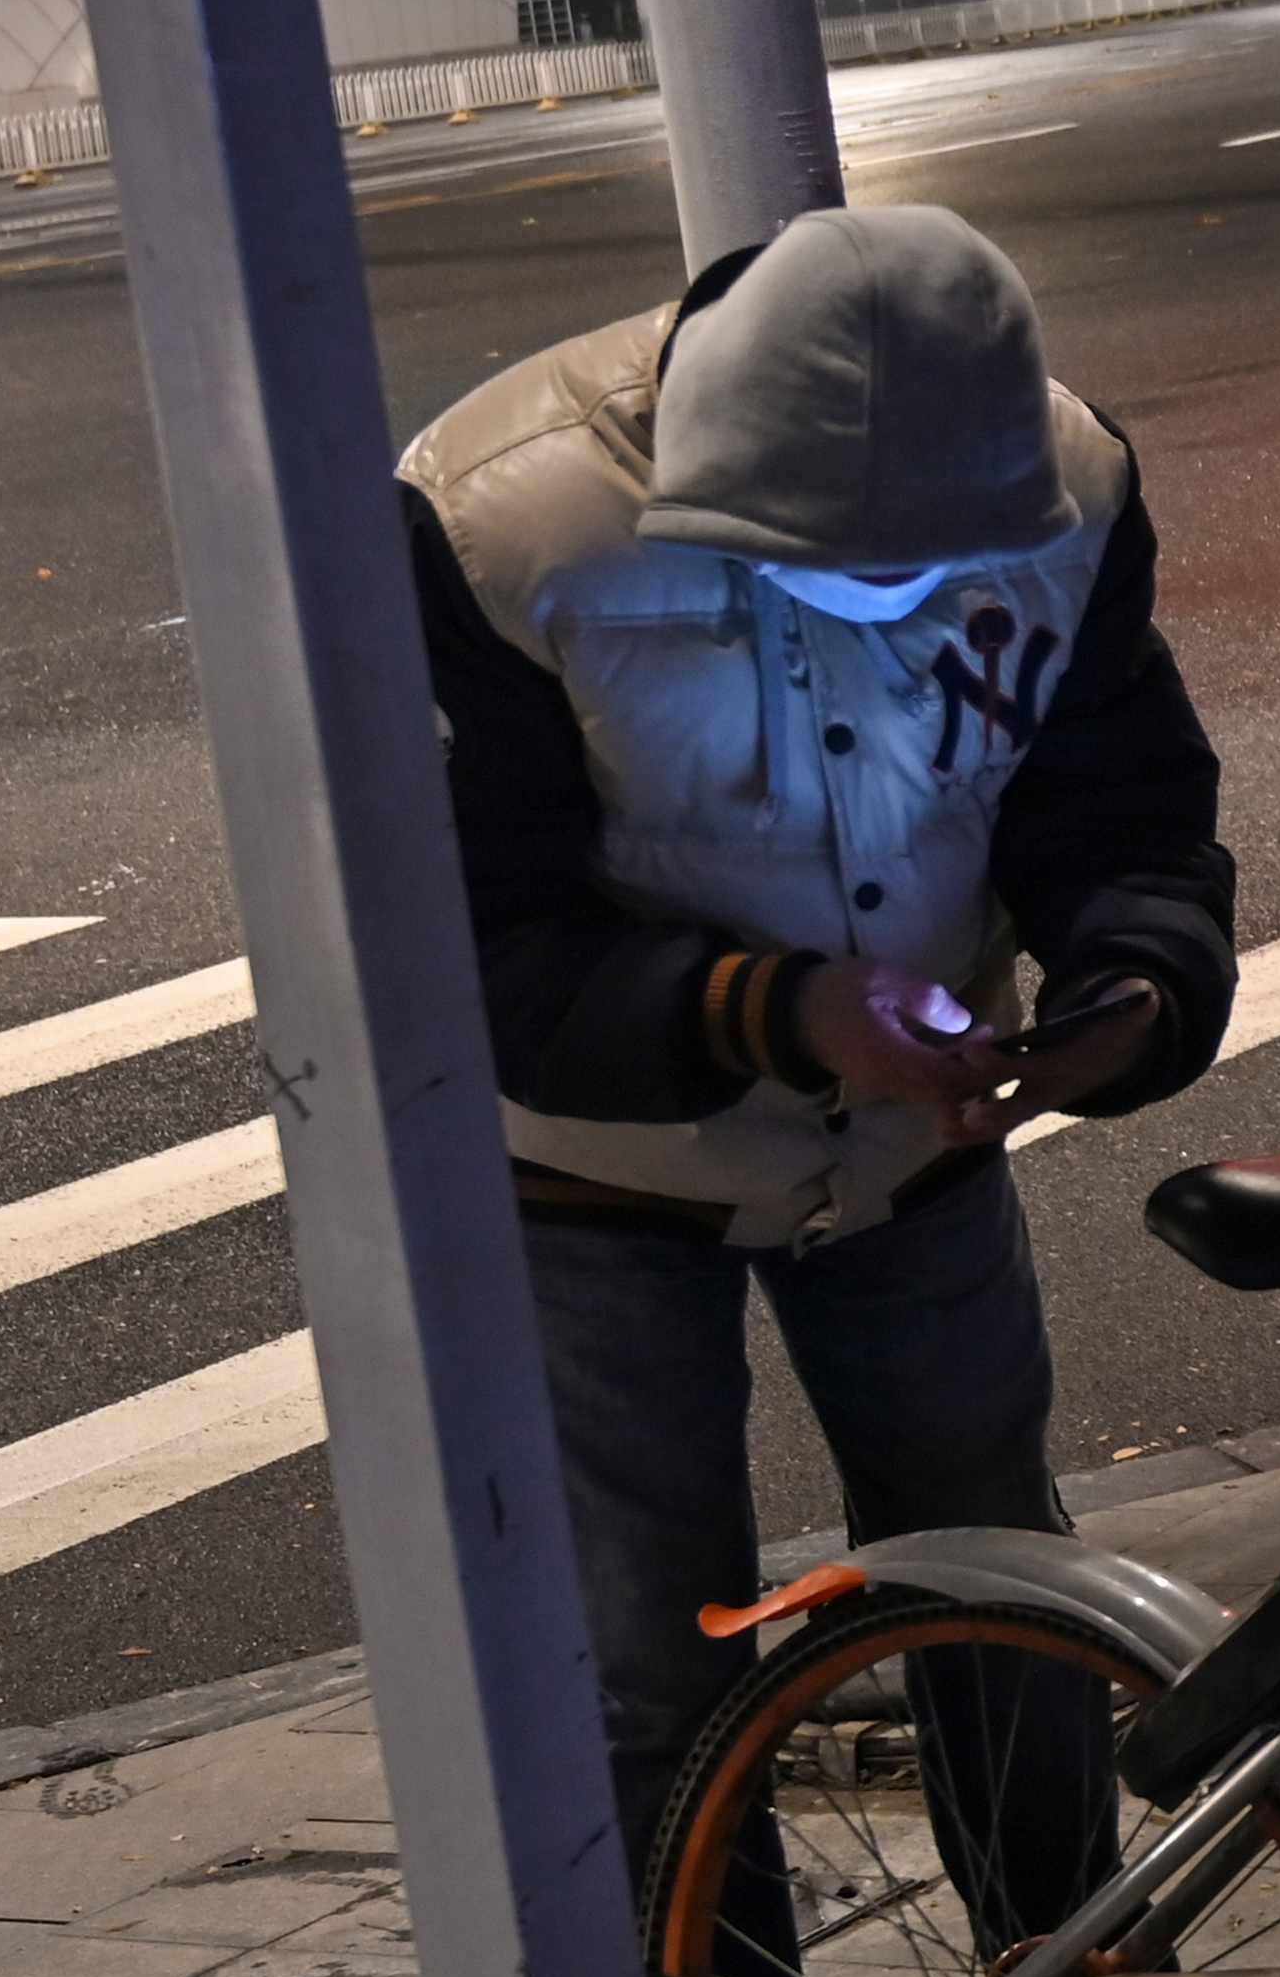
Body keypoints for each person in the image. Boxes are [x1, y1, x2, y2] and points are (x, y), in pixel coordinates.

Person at [397, 199, 1235, 1884]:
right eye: (824, 563)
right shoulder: (498, 518)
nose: (887, 600)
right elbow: (467, 943)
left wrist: (1123, 996)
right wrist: (776, 1012)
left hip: (916, 1146)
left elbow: (1119, 802)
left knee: (1008, 1604)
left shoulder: (1064, 484)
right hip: (592, 1175)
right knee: (647, 1657)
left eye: (927, 566)